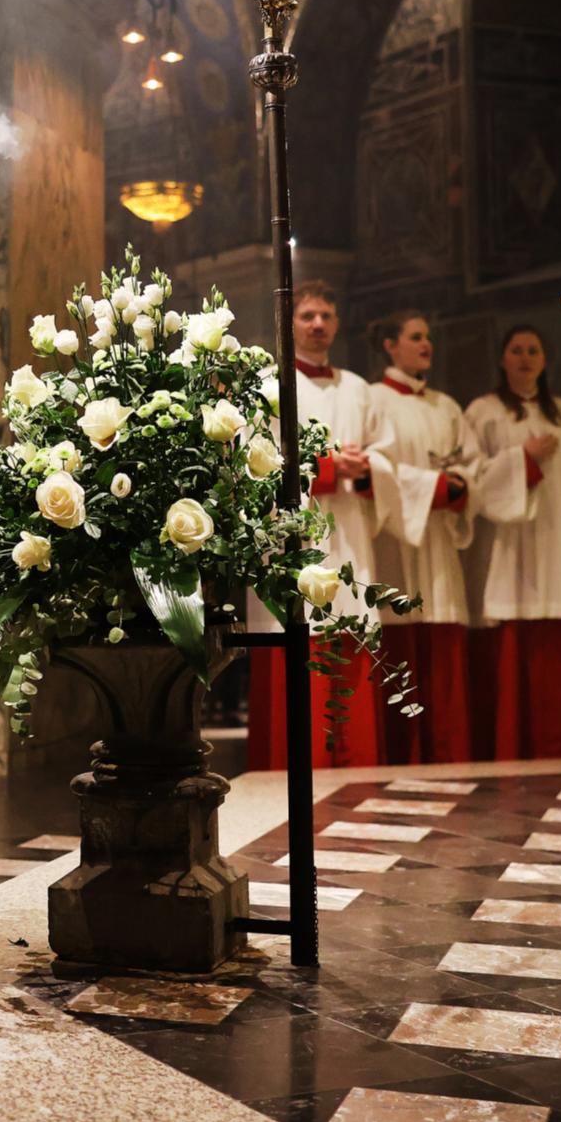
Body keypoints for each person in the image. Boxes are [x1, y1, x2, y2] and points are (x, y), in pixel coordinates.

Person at [362, 314, 519, 765]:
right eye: (415, 337)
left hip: (439, 539)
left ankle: (448, 753)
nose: (426, 343)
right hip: (395, 538)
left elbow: (471, 465)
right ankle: (402, 755)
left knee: (443, 645)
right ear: (390, 345)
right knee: (400, 638)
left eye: (429, 336)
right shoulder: (373, 400)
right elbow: (374, 468)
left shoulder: (447, 406)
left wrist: (459, 484)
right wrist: (429, 487)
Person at [247, 281, 386, 770]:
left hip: (349, 533)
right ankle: (290, 764)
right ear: (289, 323)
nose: (317, 324)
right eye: (307, 315)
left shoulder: (359, 389)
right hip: (293, 539)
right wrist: (326, 470)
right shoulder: (268, 386)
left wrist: (366, 469)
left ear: (338, 323)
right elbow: (254, 464)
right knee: (297, 639)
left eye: (326, 315)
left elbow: (385, 459)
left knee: (350, 628)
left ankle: (356, 763)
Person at [465, 326, 561, 759]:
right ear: (502, 359)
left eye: (534, 350)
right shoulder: (484, 412)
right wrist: (522, 460)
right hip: (510, 551)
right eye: (517, 349)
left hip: (559, 549)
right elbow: (473, 480)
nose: (526, 357)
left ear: (546, 360)